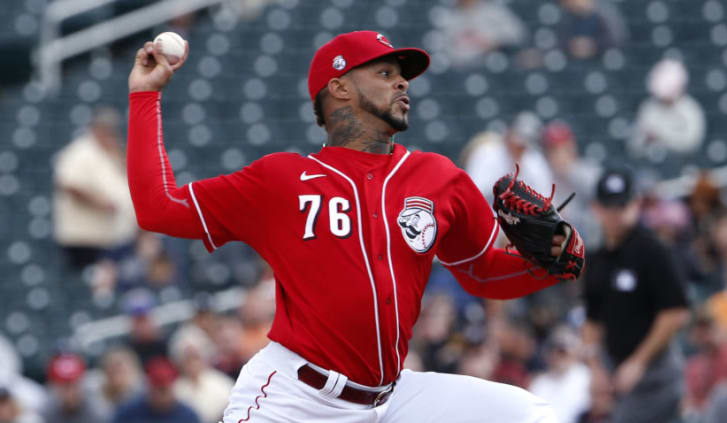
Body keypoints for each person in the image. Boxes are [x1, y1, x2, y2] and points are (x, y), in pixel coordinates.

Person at [127, 30, 584, 422]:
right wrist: (145, 96)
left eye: (401, 74)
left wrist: (552, 263)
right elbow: (158, 207)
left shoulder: (439, 178)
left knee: (534, 415)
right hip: (294, 398)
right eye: (384, 73)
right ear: (340, 88)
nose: (403, 81)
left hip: (393, 398)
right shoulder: (280, 180)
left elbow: (481, 269)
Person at [583, 168, 690, 423]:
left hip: (656, 373)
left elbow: (675, 313)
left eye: (622, 205)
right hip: (616, 372)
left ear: (636, 204)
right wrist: (595, 367)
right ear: (597, 208)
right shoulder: (596, 259)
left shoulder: (652, 250)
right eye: (609, 206)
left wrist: (638, 362)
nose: (616, 214)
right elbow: (592, 320)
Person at [52, 106, 138, 269]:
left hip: (114, 237)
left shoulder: (112, 151)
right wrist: (102, 203)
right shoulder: (80, 151)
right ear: (95, 128)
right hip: (85, 239)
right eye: (105, 128)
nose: (109, 132)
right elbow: (70, 185)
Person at [464, 111, 553, 205]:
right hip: (488, 214)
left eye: (523, 146)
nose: (518, 148)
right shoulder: (486, 154)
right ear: (509, 133)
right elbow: (473, 193)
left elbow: (546, 198)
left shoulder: (535, 161)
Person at [629, 59, 706, 160]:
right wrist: (645, 140)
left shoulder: (690, 109)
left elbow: (692, 142)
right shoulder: (648, 108)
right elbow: (634, 145)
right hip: (650, 163)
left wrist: (661, 136)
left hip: (682, 162)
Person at [529, 325, 591, 423]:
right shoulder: (539, 383)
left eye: (563, 351)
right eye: (556, 350)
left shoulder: (585, 375)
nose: (559, 356)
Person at [112, 357, 200, 423]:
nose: (162, 395)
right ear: (149, 388)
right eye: (159, 389)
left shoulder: (188, 416)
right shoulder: (128, 413)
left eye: (165, 389)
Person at [41, 354, 109, 423]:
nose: (70, 392)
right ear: (54, 386)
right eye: (64, 386)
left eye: (74, 385)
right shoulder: (46, 412)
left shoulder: (97, 411)